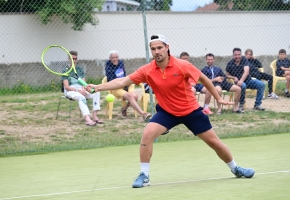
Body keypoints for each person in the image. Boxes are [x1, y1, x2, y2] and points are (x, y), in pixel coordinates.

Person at [86, 34, 255, 188]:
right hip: (167, 112)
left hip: (190, 111)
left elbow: (203, 79)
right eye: (153, 49)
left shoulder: (182, 65)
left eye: (160, 47)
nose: (157, 51)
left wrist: (217, 98)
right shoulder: (147, 70)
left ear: (167, 47)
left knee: (215, 143)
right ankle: (144, 175)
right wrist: (97, 87)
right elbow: (123, 81)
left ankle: (235, 168)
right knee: (147, 134)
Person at [105, 50, 151, 121]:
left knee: (135, 96)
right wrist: (122, 84)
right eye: (113, 58)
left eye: (116, 57)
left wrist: (126, 84)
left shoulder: (121, 62)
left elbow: (124, 74)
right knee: (130, 96)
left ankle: (124, 108)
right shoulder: (108, 66)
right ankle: (143, 114)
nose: (115, 59)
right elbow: (111, 80)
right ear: (110, 58)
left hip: (125, 84)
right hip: (116, 87)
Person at [62, 51, 103, 126]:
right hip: (70, 91)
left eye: (75, 59)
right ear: (68, 59)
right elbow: (67, 87)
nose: (74, 60)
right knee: (81, 97)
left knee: (96, 92)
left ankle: (95, 117)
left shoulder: (79, 69)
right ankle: (88, 119)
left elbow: (84, 83)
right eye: (72, 58)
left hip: (81, 89)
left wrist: (84, 89)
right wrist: (78, 90)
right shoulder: (65, 70)